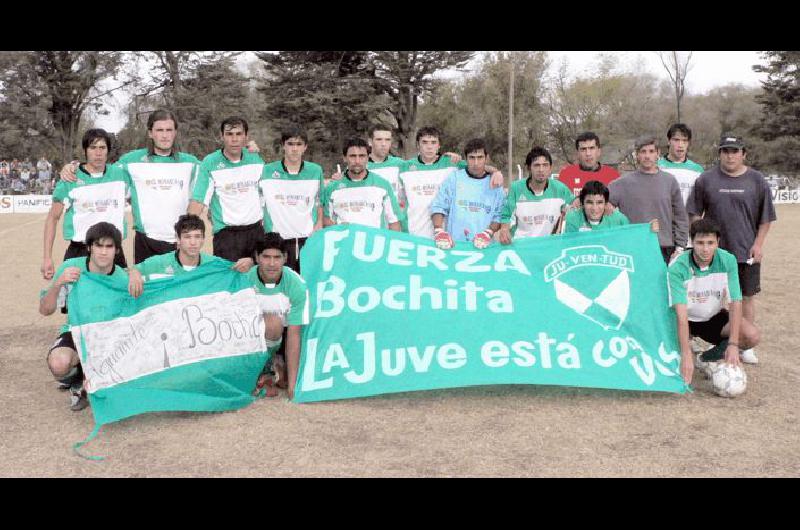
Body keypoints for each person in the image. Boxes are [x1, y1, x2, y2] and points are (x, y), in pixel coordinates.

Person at [59, 110, 201, 264]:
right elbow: (100, 172)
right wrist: (74, 166)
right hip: (146, 242)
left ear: (175, 132)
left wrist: (188, 231)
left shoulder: (191, 163)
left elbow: (211, 179)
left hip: (180, 242)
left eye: (169, 130)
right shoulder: (130, 161)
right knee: (146, 287)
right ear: (150, 133)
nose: (165, 135)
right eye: (159, 130)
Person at [687, 134, 777, 364]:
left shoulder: (757, 180)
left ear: (743, 154)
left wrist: (758, 244)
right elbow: (695, 214)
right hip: (711, 254)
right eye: (725, 151)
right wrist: (698, 242)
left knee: (745, 297)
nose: (730, 155)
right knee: (705, 295)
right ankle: (691, 338)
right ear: (719, 154)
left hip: (744, 253)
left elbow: (765, 218)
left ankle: (743, 347)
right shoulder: (705, 179)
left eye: (735, 151)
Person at [39, 222, 129, 411]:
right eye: (98, 245)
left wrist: (135, 273)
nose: (103, 252)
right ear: (89, 248)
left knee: (112, 390)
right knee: (59, 363)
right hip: (77, 332)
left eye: (109, 246)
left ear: (117, 251)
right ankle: (78, 380)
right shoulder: (71, 269)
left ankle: (96, 378)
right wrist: (58, 284)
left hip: (108, 339)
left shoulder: (122, 279)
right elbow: (45, 310)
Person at [668, 218, 760, 385]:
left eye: (710, 243)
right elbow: (681, 316)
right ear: (692, 242)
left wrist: (733, 344)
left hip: (711, 318)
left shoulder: (727, 260)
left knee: (750, 335)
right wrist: (686, 354)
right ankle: (686, 347)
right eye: (700, 243)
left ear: (718, 242)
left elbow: (735, 302)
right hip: (682, 321)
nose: (705, 249)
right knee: (673, 358)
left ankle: (705, 358)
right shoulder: (678, 266)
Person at [42, 128, 129, 283]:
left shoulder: (121, 175)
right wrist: (47, 257)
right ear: (85, 150)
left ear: (108, 150)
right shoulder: (70, 179)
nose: (98, 153)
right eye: (93, 147)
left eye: (102, 148)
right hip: (80, 252)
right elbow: (52, 218)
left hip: (112, 251)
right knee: (75, 306)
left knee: (117, 304)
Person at [398, 126, 503, 238]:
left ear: (439, 146)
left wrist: (496, 172)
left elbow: (476, 166)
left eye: (433, 142)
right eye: (425, 142)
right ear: (418, 145)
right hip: (413, 233)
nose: (429, 147)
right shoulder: (404, 168)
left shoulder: (452, 164)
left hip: (444, 236)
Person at [188, 116, 263, 272]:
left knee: (257, 285)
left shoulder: (255, 159)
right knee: (228, 286)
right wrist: (187, 232)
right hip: (227, 236)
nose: (234, 139)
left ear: (246, 137)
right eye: (229, 134)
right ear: (221, 137)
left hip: (256, 232)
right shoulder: (210, 162)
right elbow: (198, 201)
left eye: (238, 134)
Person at [608, 135, 688, 263]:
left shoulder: (670, 181)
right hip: (633, 247)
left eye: (651, 151)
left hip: (664, 247)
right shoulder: (622, 183)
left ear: (658, 154)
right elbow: (599, 203)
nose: (647, 156)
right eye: (643, 152)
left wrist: (680, 247)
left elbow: (680, 217)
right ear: (637, 155)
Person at [248, 232, 309, 400]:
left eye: (277, 257)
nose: (272, 264)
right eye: (266, 257)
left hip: (278, 337)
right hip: (248, 338)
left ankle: (272, 367)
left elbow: (294, 335)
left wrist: (293, 386)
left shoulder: (296, 285)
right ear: (257, 257)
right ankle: (263, 371)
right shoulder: (245, 280)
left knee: (273, 323)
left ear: (285, 258)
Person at [260, 126, 324, 272]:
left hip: (308, 240)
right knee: (281, 288)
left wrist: (319, 222)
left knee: (306, 285)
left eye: (299, 144)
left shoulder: (315, 171)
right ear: (283, 145)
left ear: (305, 147)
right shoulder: (267, 171)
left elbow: (320, 200)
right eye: (290, 144)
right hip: (278, 241)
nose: (294, 149)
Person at [127, 214, 232, 297]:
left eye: (197, 236)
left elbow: (236, 269)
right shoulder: (161, 262)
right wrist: (134, 273)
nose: (193, 242)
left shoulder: (214, 263)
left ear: (203, 239)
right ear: (178, 239)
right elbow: (132, 270)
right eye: (187, 237)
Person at [430, 138, 506, 249]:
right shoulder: (455, 178)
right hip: (454, 245)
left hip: (484, 247)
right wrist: (438, 230)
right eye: (471, 158)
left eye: (480, 158)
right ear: (466, 159)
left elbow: (500, 215)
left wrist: (489, 232)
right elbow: (439, 205)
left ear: (487, 158)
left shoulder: (495, 184)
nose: (476, 163)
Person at [498, 146, 575, 243]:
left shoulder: (561, 189)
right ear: (529, 168)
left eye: (545, 165)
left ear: (550, 168)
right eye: (537, 165)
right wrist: (504, 230)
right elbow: (506, 216)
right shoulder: (516, 188)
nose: (541, 169)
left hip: (549, 246)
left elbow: (575, 207)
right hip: (521, 245)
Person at [322, 137, 402, 230]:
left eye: (362, 156)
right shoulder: (332, 188)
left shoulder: (383, 185)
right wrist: (338, 228)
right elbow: (326, 220)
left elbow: (394, 222)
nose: (357, 161)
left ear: (368, 158)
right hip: (344, 243)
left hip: (374, 243)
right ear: (344, 158)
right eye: (352, 156)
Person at [557, 131, 620, 196]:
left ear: (598, 151)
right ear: (577, 153)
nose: (588, 154)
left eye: (591, 148)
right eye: (583, 149)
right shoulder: (566, 175)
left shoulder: (613, 176)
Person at [657, 123, 704, 205]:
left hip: (688, 217)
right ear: (669, 141)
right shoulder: (656, 167)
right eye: (676, 140)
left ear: (688, 143)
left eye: (684, 140)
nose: (680, 145)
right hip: (663, 217)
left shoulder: (697, 170)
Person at [564, 180, 632, 232]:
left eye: (599, 202)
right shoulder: (571, 219)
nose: (594, 208)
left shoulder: (620, 220)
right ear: (582, 204)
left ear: (606, 204)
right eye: (589, 202)